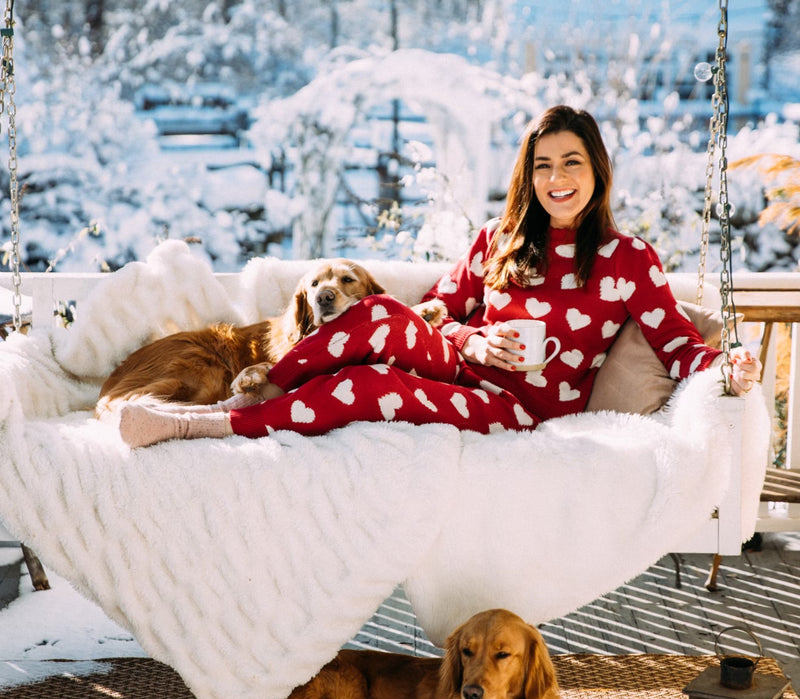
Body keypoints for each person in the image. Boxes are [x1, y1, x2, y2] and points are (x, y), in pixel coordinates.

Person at [120, 105, 760, 449]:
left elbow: (677, 344)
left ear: (597, 169)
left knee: (368, 384)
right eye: (543, 165)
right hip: (458, 364)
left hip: (513, 408)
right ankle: (260, 390)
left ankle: (200, 424)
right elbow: (434, 311)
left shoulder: (628, 261)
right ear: (527, 176)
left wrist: (727, 365)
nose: (557, 179)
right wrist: (473, 342)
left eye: (572, 162)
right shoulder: (498, 241)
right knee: (372, 313)